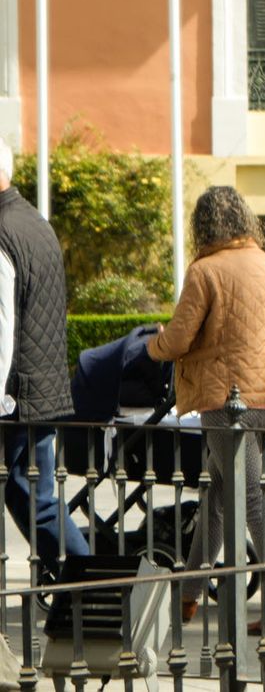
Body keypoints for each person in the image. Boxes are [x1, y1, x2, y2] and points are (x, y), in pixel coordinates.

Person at [148, 185, 265, 632]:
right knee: (217, 495)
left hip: (224, 403)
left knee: (248, 497)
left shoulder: (204, 271)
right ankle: (189, 594)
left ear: (203, 225)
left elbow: (178, 339)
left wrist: (154, 344)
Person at [0, 139, 88, 582]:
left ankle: (94, 586)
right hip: (42, 390)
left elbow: (3, 326)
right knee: (38, 499)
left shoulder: (3, 231)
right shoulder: (36, 222)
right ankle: (92, 586)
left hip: (17, 397)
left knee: (34, 499)